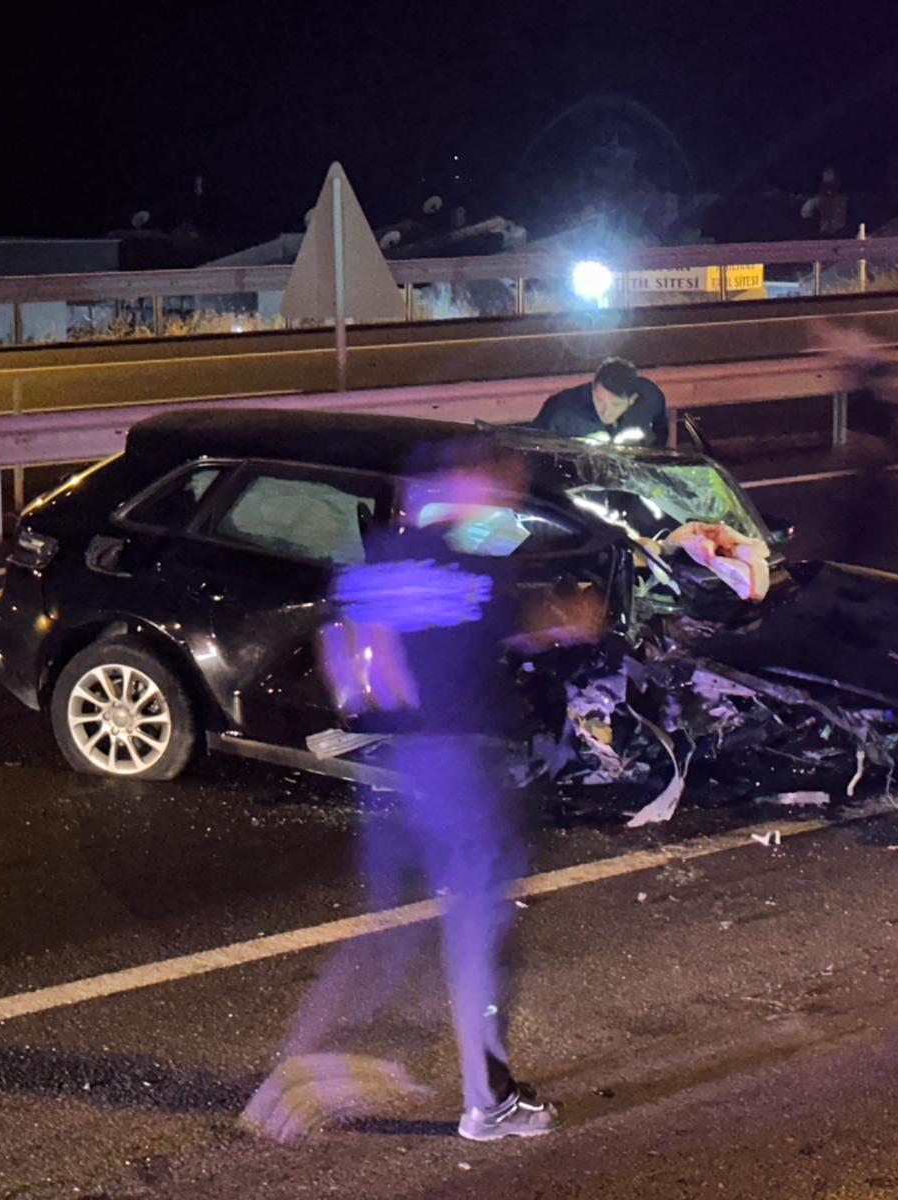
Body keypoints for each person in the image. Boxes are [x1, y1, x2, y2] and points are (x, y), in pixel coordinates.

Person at [241, 443, 602, 1142]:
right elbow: (535, 627)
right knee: (478, 935)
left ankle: (287, 1085)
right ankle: (489, 1105)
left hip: (391, 768)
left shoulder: (370, 564)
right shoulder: (474, 568)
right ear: (462, 485)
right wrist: (574, 615)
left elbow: (346, 661)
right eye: (498, 486)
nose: (505, 500)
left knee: (387, 933)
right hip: (460, 769)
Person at [532, 357, 669, 448]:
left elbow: (660, 441)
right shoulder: (561, 410)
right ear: (593, 388)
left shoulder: (651, 400)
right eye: (599, 399)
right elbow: (535, 453)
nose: (605, 411)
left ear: (632, 400)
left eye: (615, 405)